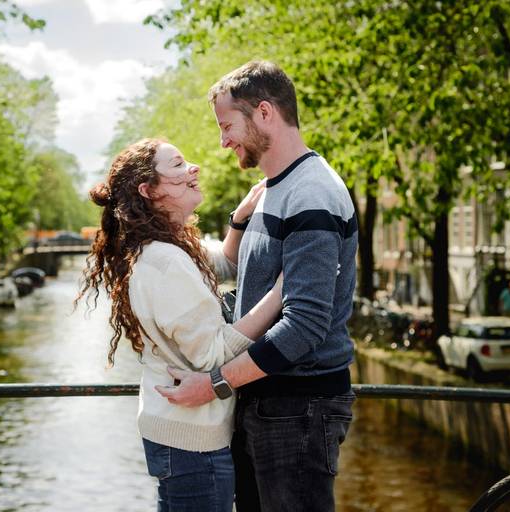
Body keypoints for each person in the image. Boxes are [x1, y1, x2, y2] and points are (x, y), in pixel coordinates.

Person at [156, 61, 359, 512]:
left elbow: (304, 325)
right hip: (267, 400)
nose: (223, 141)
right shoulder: (271, 189)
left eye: (227, 126)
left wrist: (212, 385)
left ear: (264, 113)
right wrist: (237, 223)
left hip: (299, 407)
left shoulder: (312, 196)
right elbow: (243, 274)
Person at [76, 138, 283, 512]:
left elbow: (221, 265)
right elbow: (212, 355)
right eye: (178, 165)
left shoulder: (166, 246)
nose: (194, 169)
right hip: (193, 445)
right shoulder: (167, 261)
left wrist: (238, 219)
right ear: (150, 190)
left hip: (176, 433)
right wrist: (284, 292)